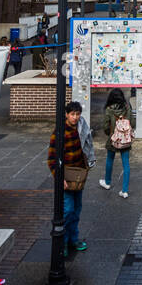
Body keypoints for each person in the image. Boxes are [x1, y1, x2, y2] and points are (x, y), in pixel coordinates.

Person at [47, 101, 93, 255]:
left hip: (79, 174)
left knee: (77, 209)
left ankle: (74, 239)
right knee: (67, 210)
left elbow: (87, 145)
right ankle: (64, 242)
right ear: (66, 114)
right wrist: (59, 178)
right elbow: (52, 159)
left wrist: (88, 163)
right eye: (72, 114)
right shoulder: (60, 132)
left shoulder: (81, 127)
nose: (75, 117)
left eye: (77, 114)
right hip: (66, 177)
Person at [98, 88, 136, 198]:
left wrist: (109, 133)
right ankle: (124, 191)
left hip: (113, 139)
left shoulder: (109, 109)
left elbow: (105, 125)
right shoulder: (127, 107)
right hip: (125, 139)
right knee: (126, 164)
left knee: (110, 160)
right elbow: (132, 123)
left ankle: (107, 182)